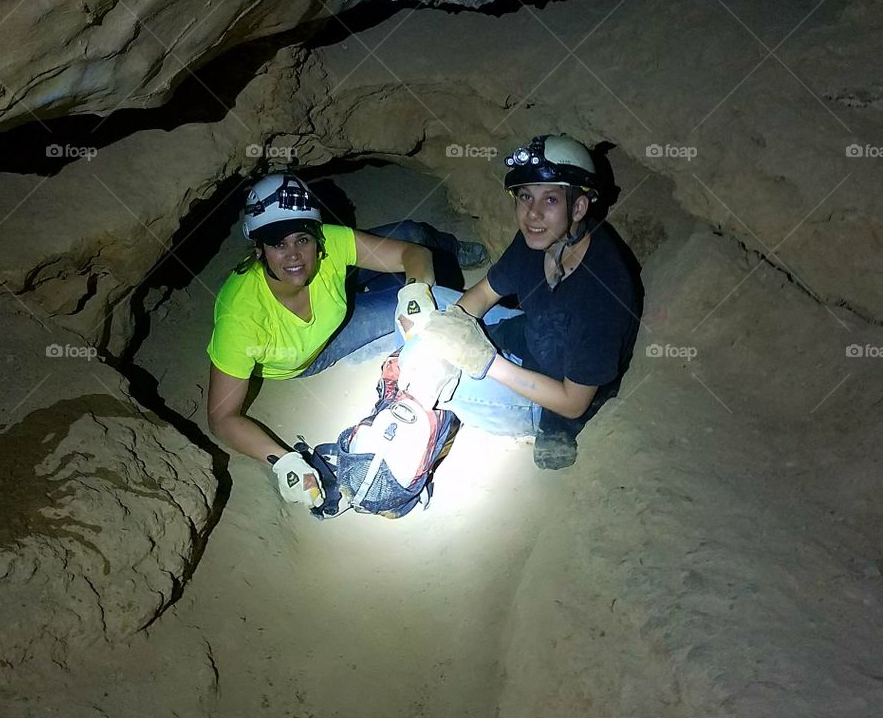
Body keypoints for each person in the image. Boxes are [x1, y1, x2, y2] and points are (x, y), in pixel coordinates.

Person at [205, 172, 484, 503]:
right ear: (259, 249)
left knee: (414, 238)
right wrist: (284, 461)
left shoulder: (329, 243)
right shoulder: (240, 314)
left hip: (336, 292)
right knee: (441, 304)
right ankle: (368, 332)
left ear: (317, 237)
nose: (293, 254)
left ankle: (448, 251)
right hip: (319, 348)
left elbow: (413, 253)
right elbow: (222, 417)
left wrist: (416, 291)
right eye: (279, 244)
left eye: (302, 239)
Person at [410, 134, 644, 470]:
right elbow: (482, 295)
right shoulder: (538, 239)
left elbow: (573, 403)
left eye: (550, 200)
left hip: (555, 397)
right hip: (533, 338)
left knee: (431, 372)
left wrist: (484, 362)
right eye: (524, 197)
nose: (532, 214)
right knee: (430, 310)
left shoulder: (603, 293)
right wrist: (454, 325)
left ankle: (510, 423)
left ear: (579, 207)